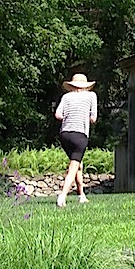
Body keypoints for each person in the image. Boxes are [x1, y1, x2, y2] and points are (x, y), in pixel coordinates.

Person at [55, 73, 97, 207]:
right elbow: (93, 118)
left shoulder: (66, 97)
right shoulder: (91, 96)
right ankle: (63, 195)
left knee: (78, 164)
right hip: (80, 134)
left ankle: (81, 195)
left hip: (65, 134)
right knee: (73, 167)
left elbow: (58, 115)